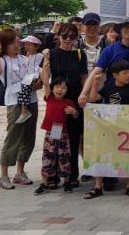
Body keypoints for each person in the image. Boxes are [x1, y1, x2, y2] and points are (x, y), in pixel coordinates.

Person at [83, 59, 129, 199]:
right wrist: (95, 83)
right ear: (115, 75)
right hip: (107, 129)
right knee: (102, 155)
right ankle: (97, 187)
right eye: (125, 73)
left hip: (124, 130)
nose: (128, 76)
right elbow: (93, 98)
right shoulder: (109, 86)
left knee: (126, 156)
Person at [43, 24, 88, 188]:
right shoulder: (52, 54)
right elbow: (45, 75)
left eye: (72, 37)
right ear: (58, 36)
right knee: (55, 138)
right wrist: (48, 92)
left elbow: (84, 77)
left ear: (77, 38)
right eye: (64, 36)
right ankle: (53, 175)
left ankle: (72, 175)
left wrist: (85, 96)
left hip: (75, 100)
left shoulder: (80, 54)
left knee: (74, 138)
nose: (68, 40)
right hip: (58, 100)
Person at [0, 30, 38, 190]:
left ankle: (20, 172)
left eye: (18, 42)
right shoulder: (2, 60)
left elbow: (32, 76)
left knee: (29, 138)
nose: (17, 45)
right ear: (4, 45)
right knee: (13, 138)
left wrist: (37, 82)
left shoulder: (24, 59)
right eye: (12, 43)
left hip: (31, 100)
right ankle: (4, 176)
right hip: (15, 103)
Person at [34, 73, 78, 195]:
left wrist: (73, 112)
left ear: (67, 90)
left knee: (64, 157)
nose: (60, 90)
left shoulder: (69, 102)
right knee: (48, 157)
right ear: (52, 89)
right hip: (51, 133)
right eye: (57, 87)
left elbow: (76, 116)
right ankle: (44, 183)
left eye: (63, 87)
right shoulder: (49, 98)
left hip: (63, 134)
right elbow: (45, 82)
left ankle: (66, 182)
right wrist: (46, 64)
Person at [17, 35, 43, 124]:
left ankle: (24, 112)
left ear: (37, 46)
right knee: (22, 90)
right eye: (26, 44)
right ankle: (24, 111)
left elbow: (41, 68)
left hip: (34, 77)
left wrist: (39, 80)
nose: (26, 46)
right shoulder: (29, 56)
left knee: (24, 89)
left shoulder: (39, 55)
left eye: (29, 45)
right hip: (28, 78)